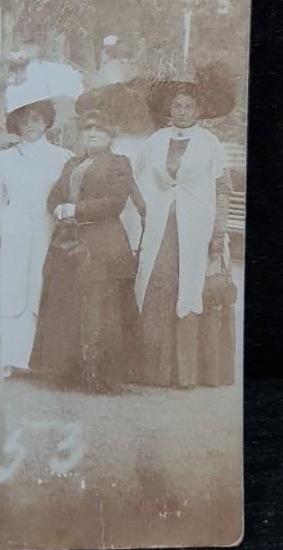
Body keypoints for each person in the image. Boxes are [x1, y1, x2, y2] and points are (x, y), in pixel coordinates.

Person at [134, 76, 233, 389]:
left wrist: (218, 232)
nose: (182, 111)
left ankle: (187, 374)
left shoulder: (210, 144)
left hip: (196, 228)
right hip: (160, 228)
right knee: (156, 285)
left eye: (189, 106)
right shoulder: (156, 141)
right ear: (168, 109)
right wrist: (143, 213)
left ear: (199, 110)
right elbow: (135, 180)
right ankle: (154, 372)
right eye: (176, 105)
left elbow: (222, 189)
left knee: (189, 291)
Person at [30, 111, 140, 392]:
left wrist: (76, 209)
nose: (92, 134)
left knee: (99, 309)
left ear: (111, 137)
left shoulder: (119, 164)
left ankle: (99, 377)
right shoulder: (72, 163)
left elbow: (115, 202)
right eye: (87, 129)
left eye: (99, 130)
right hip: (68, 241)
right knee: (68, 304)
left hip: (103, 243)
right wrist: (58, 208)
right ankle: (67, 372)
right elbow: (54, 196)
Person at [0, 94, 73, 371]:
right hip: (13, 228)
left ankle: (40, 360)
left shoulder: (63, 158)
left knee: (40, 284)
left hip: (47, 228)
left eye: (36, 118)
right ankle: (6, 358)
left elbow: (65, 198)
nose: (30, 124)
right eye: (23, 119)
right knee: (11, 288)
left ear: (47, 121)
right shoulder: (3, 159)